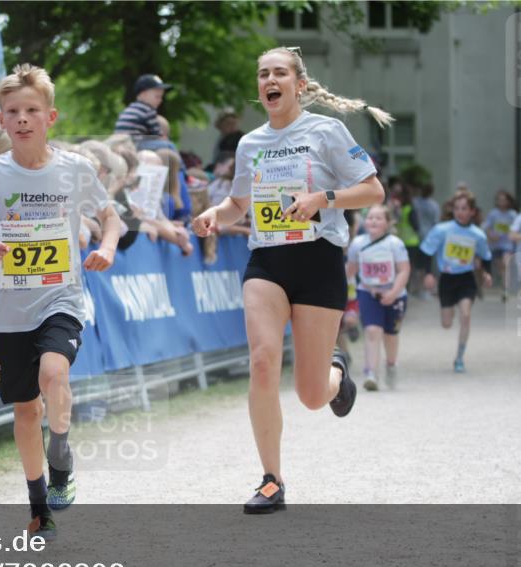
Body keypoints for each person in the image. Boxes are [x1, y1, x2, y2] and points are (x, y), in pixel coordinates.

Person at [191, 46, 389, 514]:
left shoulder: (326, 130)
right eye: (263, 74)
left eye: (279, 72)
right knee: (262, 361)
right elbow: (238, 203)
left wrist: (323, 197)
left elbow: (373, 189)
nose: (269, 80)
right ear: (260, 89)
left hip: (319, 260)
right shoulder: (250, 143)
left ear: (299, 84)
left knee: (311, 395)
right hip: (268, 263)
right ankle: (271, 481)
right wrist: (214, 214)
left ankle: (335, 374)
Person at [0, 64, 121, 539]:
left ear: (50, 116)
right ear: (0, 118)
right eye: (12, 111)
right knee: (25, 408)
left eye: (31, 110)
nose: (22, 119)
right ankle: (40, 507)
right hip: (8, 307)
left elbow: (111, 217)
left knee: (54, 372)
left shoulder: (75, 168)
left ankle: (61, 453)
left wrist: (107, 248)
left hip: (61, 298)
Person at [419, 191, 493, 373]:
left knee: (466, 315)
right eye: (457, 208)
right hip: (447, 279)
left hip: (466, 278)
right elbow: (426, 252)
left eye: (464, 209)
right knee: (446, 323)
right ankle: (447, 314)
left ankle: (459, 357)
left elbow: (486, 257)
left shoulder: (478, 235)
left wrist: (487, 274)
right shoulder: (442, 230)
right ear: (452, 210)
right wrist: (428, 274)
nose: (460, 212)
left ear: (472, 211)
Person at [345, 205, 410, 390]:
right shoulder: (357, 243)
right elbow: (350, 270)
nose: (373, 221)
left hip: (395, 294)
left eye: (379, 218)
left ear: (388, 223)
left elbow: (404, 270)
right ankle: (370, 373)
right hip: (368, 292)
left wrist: (393, 293)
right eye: (370, 217)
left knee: (390, 335)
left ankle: (391, 364)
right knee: (372, 331)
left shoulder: (395, 244)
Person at [114, 74, 172, 142]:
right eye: (157, 96)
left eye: (161, 97)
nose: (160, 100)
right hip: (137, 143)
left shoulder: (130, 108)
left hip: (121, 141)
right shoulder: (148, 111)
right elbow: (156, 133)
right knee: (168, 145)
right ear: (143, 94)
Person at [482, 189, 517, 298]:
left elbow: (517, 228)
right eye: (499, 200)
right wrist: (491, 235)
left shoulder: (512, 214)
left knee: (506, 263)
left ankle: (507, 289)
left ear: (508, 201)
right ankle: (505, 286)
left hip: (508, 245)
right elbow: (485, 227)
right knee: (501, 268)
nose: (501, 202)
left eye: (504, 200)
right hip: (496, 245)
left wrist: (513, 235)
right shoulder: (493, 214)